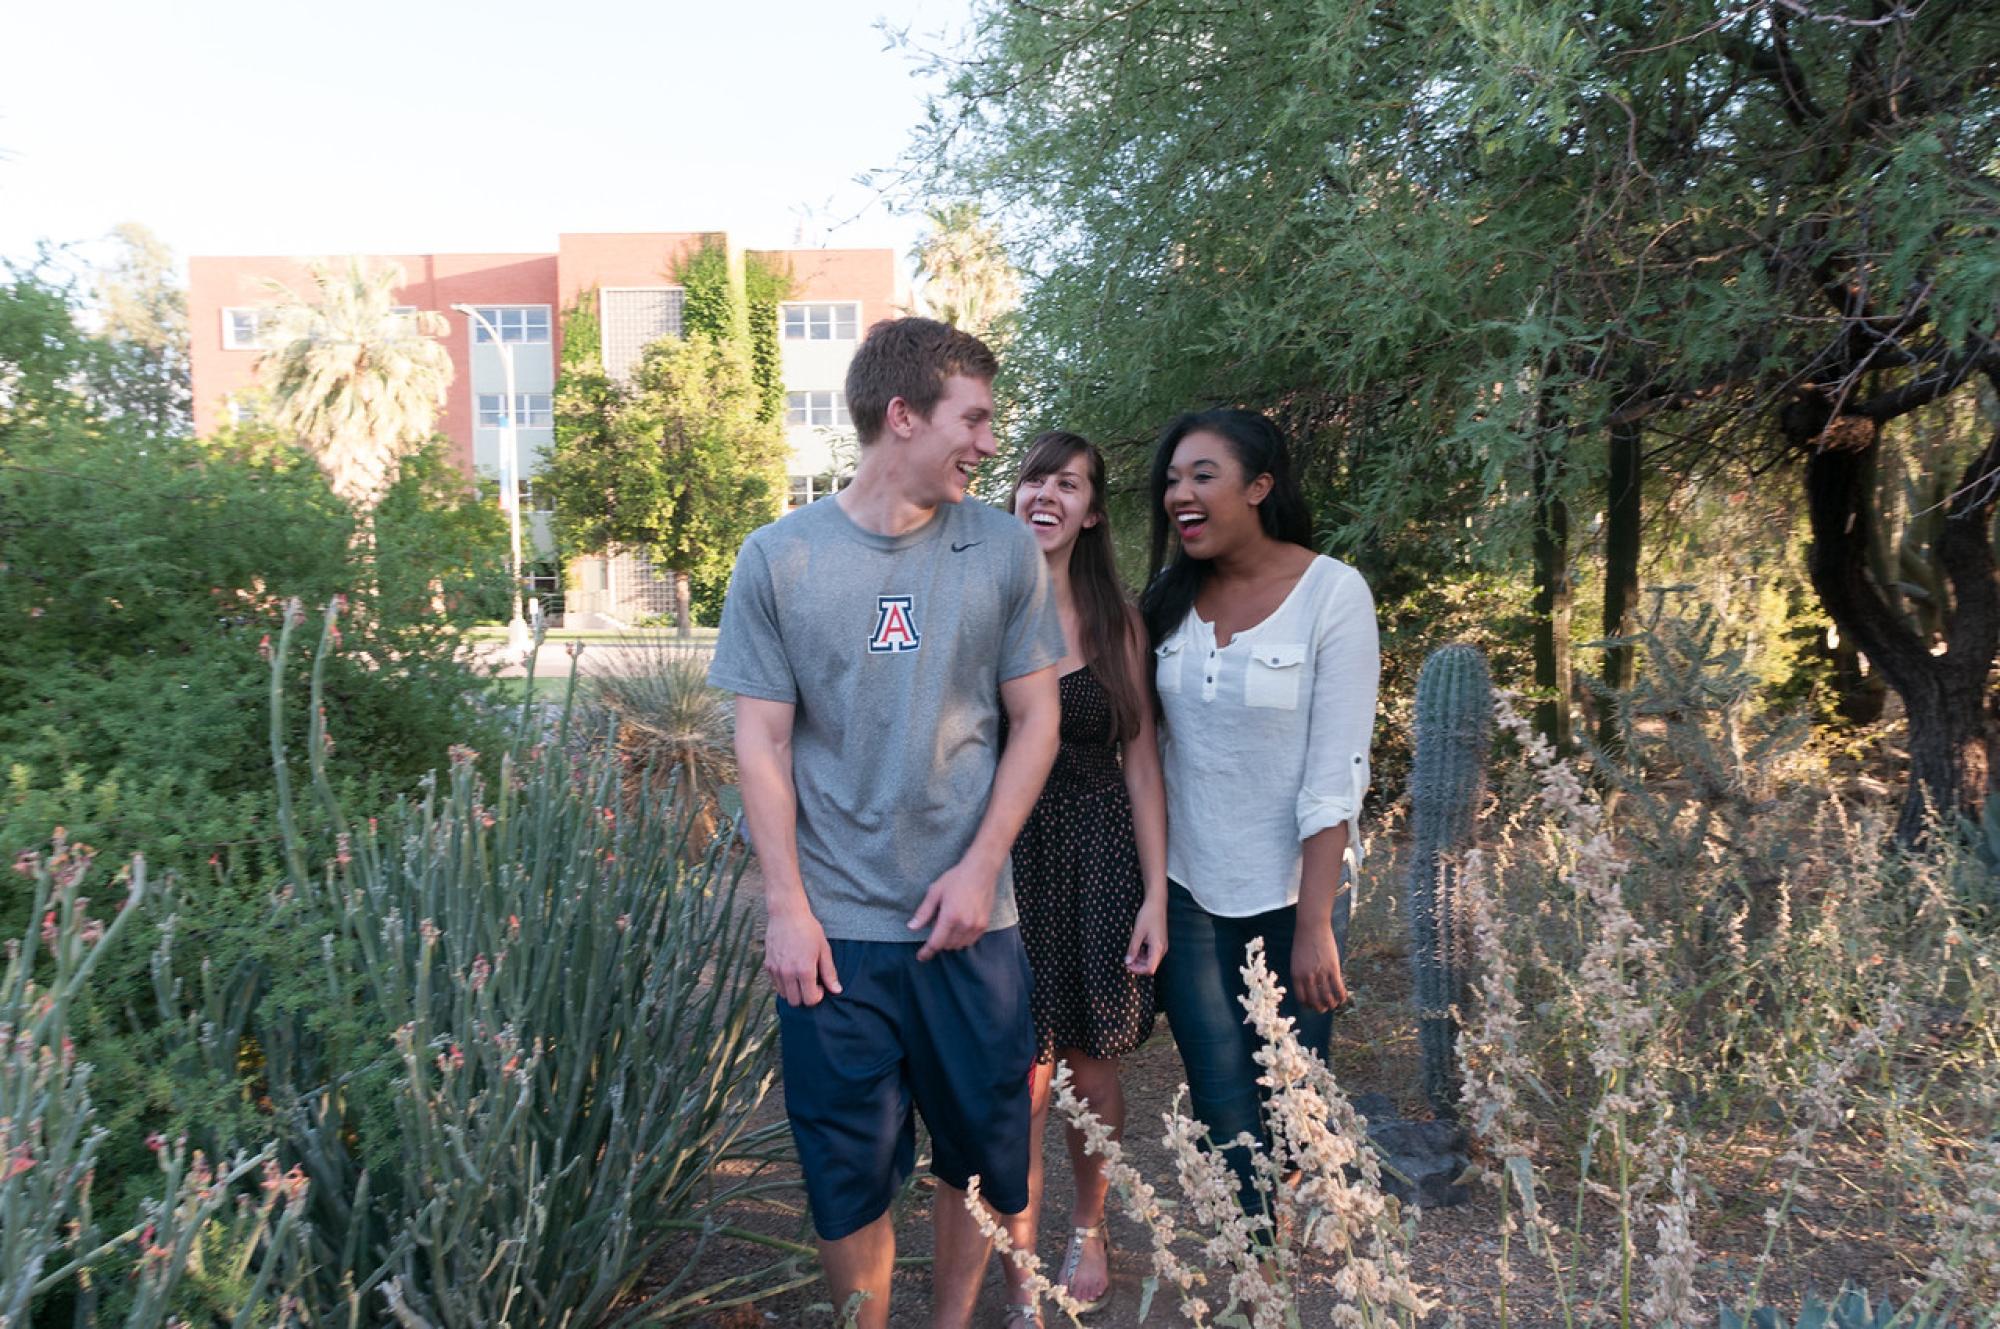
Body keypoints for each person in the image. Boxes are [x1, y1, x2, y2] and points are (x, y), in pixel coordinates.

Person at [708, 317, 1065, 1329]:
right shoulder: (778, 559)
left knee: (980, 1161)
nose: (990, 445)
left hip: (970, 924)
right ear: (901, 416)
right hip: (835, 938)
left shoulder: (1000, 549)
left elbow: (1035, 719)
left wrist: (979, 865)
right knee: (846, 1176)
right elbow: (762, 746)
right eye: (974, 419)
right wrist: (786, 907)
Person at [1140, 407, 1379, 1226]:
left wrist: (1317, 923)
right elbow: (1150, 755)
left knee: (1288, 1098)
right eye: (1173, 478)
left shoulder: (1332, 593)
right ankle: (1255, 1271)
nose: (1180, 493)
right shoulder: (1168, 601)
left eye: (1202, 474)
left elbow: (1334, 774)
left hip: (1291, 894)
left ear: (1261, 485)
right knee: (1220, 1102)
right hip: (1189, 890)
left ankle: (1273, 1248)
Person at [996, 432, 1168, 1326]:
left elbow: (1142, 762)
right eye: (1035, 478)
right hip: (1009, 858)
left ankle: (1088, 1226)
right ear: (1015, 495)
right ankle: (1022, 1260)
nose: (1048, 494)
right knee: (1020, 1071)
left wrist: (1154, 893)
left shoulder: (1116, 620)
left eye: (1069, 483)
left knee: (1093, 1067)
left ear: (1092, 511)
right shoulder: (979, 604)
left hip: (1100, 849)